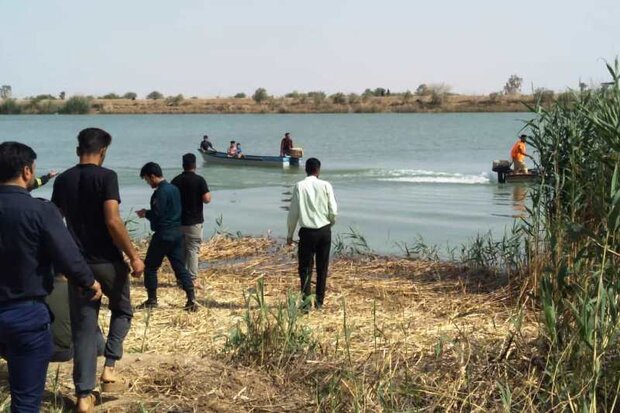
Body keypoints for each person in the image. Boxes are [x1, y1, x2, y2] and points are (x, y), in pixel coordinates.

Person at [0, 141, 102, 413]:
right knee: (25, 400)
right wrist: (89, 282)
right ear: (26, 171)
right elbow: (69, 257)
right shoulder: (40, 211)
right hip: (25, 312)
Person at [52, 128, 144, 412]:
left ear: (77, 149)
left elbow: (55, 222)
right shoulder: (107, 177)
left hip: (78, 265)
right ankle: (110, 366)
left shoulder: (64, 179)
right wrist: (134, 256)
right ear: (103, 151)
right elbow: (113, 221)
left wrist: (63, 260)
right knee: (123, 310)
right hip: (107, 261)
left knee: (83, 327)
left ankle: (82, 396)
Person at [136, 162, 198, 312]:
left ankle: (152, 300)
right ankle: (191, 299)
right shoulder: (174, 189)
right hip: (177, 233)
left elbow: (158, 214)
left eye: (146, 179)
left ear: (152, 176)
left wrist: (146, 214)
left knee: (150, 267)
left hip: (164, 234)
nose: (147, 182)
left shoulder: (160, 192)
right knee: (179, 268)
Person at [287, 158, 338, 310]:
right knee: (322, 268)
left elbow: (293, 213)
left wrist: (289, 234)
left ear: (306, 170)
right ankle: (320, 302)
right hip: (324, 231)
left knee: (305, 268)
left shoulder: (299, 186)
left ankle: (306, 303)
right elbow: (333, 210)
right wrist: (330, 223)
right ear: (318, 170)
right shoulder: (326, 185)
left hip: (307, 233)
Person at [171, 154, 212, 286]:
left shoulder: (176, 180)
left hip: (178, 221)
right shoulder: (199, 180)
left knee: (181, 250)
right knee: (193, 250)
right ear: (194, 165)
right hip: (194, 221)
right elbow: (207, 199)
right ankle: (192, 279)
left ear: (183, 165)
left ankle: (180, 278)